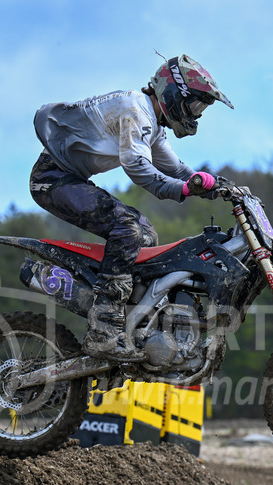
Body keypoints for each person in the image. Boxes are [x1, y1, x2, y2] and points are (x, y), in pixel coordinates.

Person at [29, 55, 233, 361]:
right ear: (175, 94)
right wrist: (184, 189)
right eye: (195, 106)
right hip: (53, 179)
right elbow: (138, 168)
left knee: (146, 234)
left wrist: (214, 185)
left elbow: (175, 168)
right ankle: (104, 330)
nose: (197, 115)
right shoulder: (135, 111)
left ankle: (132, 322)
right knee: (128, 228)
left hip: (70, 178)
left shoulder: (151, 122)